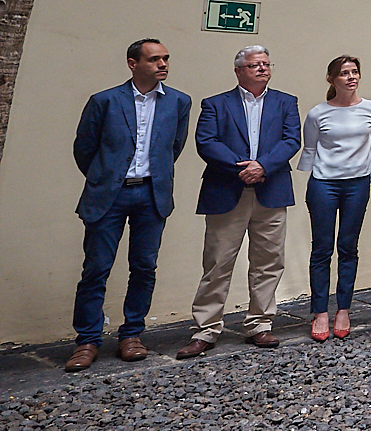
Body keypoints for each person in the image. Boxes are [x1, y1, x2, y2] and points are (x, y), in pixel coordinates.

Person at [66, 39, 192, 371]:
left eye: (166, 58)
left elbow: (174, 147)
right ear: (133, 64)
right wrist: (106, 177)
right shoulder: (105, 101)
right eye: (154, 59)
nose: (163, 64)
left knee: (145, 266)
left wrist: (154, 176)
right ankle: (87, 340)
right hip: (110, 194)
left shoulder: (179, 101)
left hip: (152, 195)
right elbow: (85, 149)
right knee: (96, 268)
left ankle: (132, 334)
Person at [177, 45, 300, 358]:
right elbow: (206, 142)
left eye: (266, 64)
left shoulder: (286, 102)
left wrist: (263, 166)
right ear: (238, 71)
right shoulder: (216, 103)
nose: (262, 68)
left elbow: (291, 140)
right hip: (227, 190)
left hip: (271, 190)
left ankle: (260, 324)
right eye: (255, 64)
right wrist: (243, 168)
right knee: (218, 263)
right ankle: (205, 329)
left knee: (269, 262)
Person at [301, 55, 371, 342]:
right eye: (344, 73)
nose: (351, 77)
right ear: (332, 79)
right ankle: (320, 311)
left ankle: (344, 309)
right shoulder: (318, 113)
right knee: (322, 248)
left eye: (355, 72)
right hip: (324, 184)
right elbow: (310, 149)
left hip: (357, 184)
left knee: (348, 247)